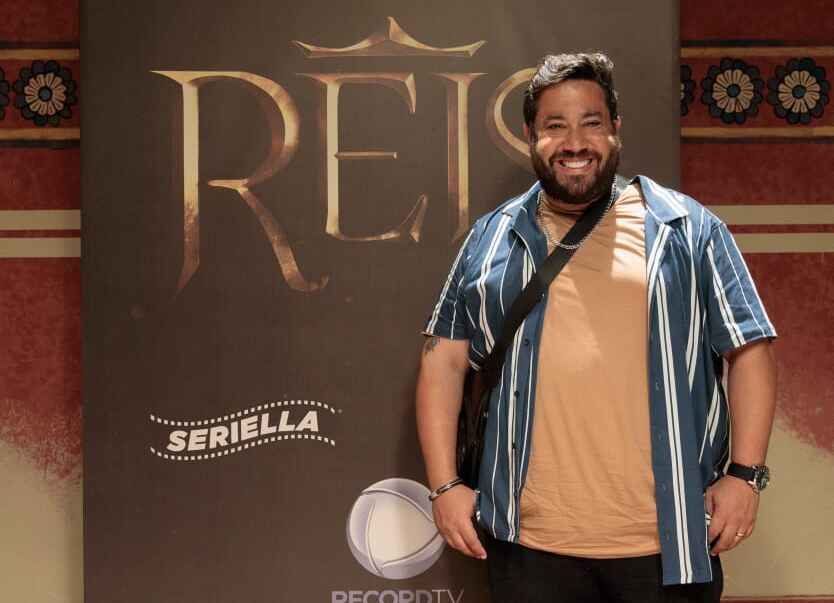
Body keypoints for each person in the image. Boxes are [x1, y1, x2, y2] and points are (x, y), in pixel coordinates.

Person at [415, 52, 777, 603]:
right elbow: (443, 361)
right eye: (555, 126)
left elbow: (750, 349)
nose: (575, 142)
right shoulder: (490, 238)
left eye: (591, 123)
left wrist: (745, 476)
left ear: (615, 129)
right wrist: (445, 485)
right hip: (528, 548)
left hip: (668, 545)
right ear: (530, 136)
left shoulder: (687, 228)